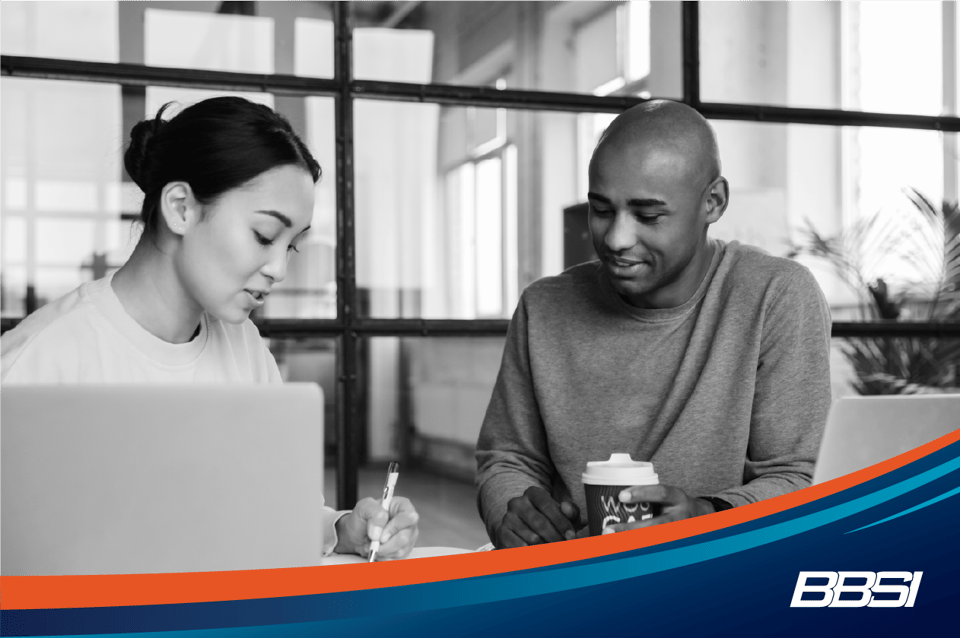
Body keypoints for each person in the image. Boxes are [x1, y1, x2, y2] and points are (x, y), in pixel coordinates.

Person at [0, 96, 418, 561]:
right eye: (264, 236)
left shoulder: (245, 349)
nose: (279, 269)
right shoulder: (41, 359)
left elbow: (274, 510)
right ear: (180, 207)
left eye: (291, 247)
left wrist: (340, 529)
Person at [475, 99, 832, 549]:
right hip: (569, 577)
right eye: (602, 210)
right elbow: (507, 458)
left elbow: (800, 476)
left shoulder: (775, 296)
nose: (616, 239)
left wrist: (704, 518)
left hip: (721, 571)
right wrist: (512, 508)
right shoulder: (543, 307)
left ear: (713, 202)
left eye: (648, 216)